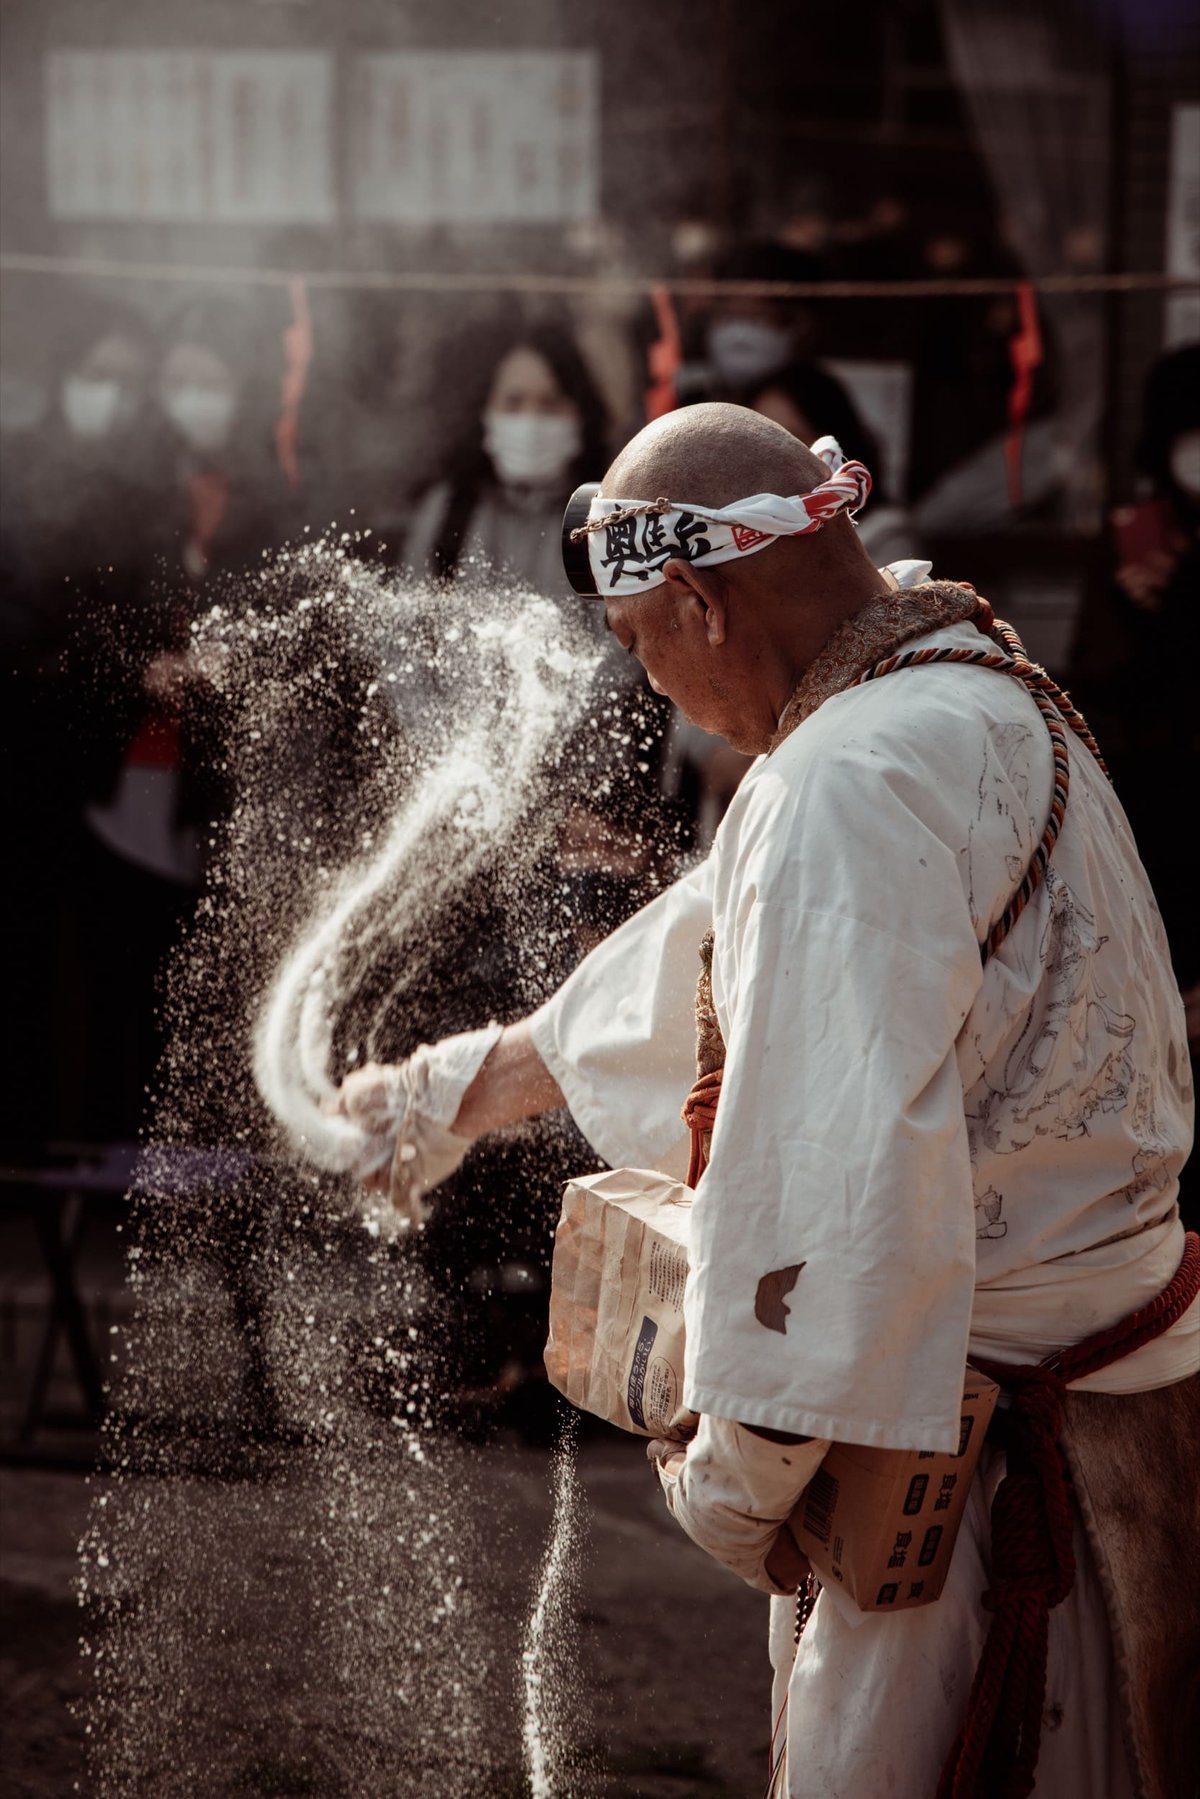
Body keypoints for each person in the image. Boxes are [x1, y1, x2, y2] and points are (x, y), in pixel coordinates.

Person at [335, 403, 1197, 1797]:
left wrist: (733, 1476)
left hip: (967, 1479)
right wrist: (454, 1091)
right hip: (1128, 1417)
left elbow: (836, 1184)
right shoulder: (973, 687)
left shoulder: (838, 783)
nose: (657, 689)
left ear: (695, 598)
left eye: (643, 649)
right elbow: (716, 942)